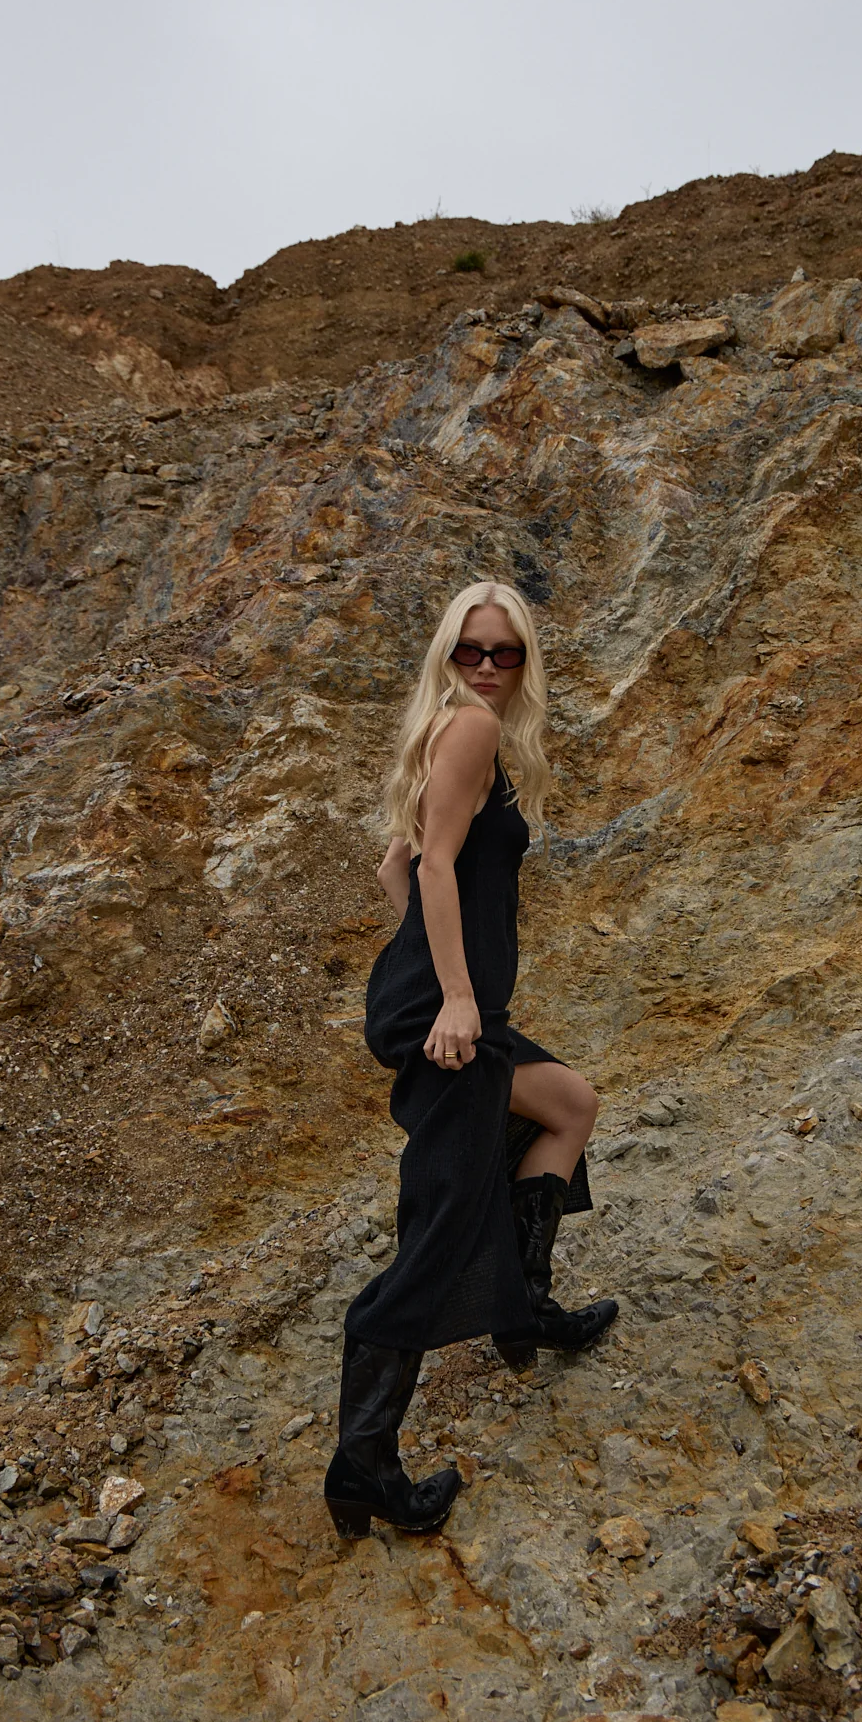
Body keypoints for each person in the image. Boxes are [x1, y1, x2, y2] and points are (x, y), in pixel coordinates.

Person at [323, 581, 618, 1539]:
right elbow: (435, 867)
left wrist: (437, 969)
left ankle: (523, 1308)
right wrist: (451, 993)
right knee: (440, 1230)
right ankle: (363, 1464)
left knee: (568, 1104)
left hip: (457, 1007)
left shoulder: (454, 732)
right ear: (447, 654)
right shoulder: (472, 728)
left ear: (526, 658)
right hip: (450, 1017)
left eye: (506, 651)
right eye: (471, 650)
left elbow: (396, 866)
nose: (488, 666)